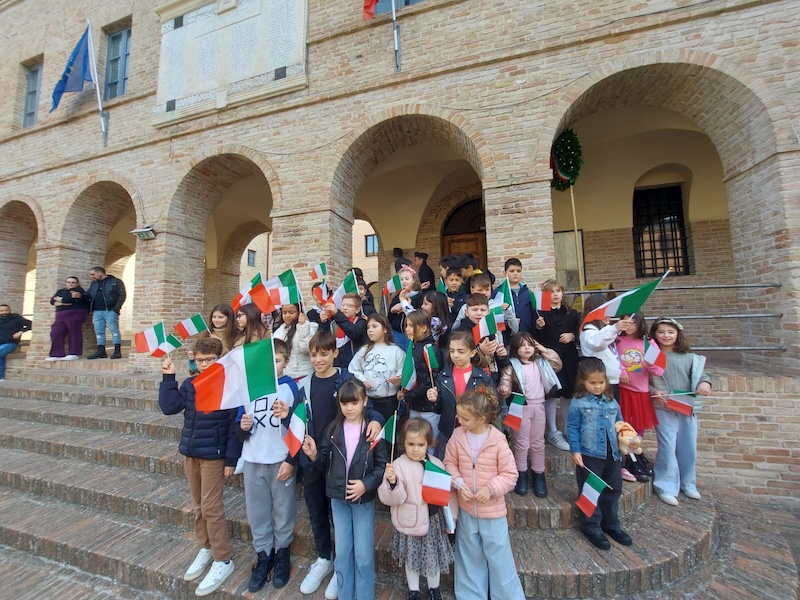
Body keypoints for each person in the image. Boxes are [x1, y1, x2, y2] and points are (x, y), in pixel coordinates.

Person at [273, 331, 384, 599]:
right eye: (313, 354)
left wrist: (376, 420)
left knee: (341, 517)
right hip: (314, 460)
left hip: (342, 462)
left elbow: (369, 409)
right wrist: (288, 417)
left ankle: (342, 569)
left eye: (324, 353)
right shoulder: (305, 385)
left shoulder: (347, 379)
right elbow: (298, 426)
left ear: (335, 353)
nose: (318, 359)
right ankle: (325, 558)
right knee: (317, 512)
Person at [158, 337, 241, 596]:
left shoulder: (229, 386)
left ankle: (223, 558)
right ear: (194, 359)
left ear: (219, 359)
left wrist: (230, 459)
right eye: (200, 360)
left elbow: (233, 426)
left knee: (211, 506)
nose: (204, 364)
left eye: (210, 360)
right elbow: (169, 407)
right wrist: (169, 378)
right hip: (191, 452)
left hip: (214, 454)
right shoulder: (191, 384)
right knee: (198, 505)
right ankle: (206, 547)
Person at [302, 379, 388, 600]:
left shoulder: (372, 431)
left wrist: (365, 485)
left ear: (364, 402)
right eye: (344, 403)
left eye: (354, 403)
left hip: (362, 500)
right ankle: (346, 593)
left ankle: (364, 594)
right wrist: (313, 455)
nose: (349, 408)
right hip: (338, 499)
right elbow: (324, 463)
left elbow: (381, 466)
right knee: (343, 552)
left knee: (363, 554)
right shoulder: (333, 430)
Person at [444, 386, 523, 599]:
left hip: (493, 513)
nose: (460, 421)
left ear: (482, 419)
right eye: (459, 416)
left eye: (465, 418)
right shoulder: (457, 436)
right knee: (469, 557)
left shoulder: (497, 440)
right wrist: (459, 483)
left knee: (500, 558)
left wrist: (491, 489)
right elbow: (449, 463)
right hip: (467, 509)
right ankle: (470, 595)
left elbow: (510, 474)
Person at [236, 339, 297, 592]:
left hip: (280, 460)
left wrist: (288, 416)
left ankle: (282, 554)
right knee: (257, 512)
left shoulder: (291, 387)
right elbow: (239, 425)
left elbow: (300, 427)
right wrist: (243, 427)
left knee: (283, 511)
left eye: (278, 360)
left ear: (286, 361)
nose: (272, 366)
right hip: (253, 460)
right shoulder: (248, 388)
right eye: (268, 361)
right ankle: (263, 555)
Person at [379, 419, 454, 600]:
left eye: (421, 444)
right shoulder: (397, 465)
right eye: (410, 444)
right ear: (403, 443)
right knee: (411, 559)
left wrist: (451, 520)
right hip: (410, 520)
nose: (415, 449)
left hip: (433, 521)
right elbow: (392, 498)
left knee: (432, 559)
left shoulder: (436, 463)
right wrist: (392, 482)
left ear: (428, 443)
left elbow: (446, 496)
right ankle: (414, 590)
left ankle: (433, 589)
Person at [566, 357, 634, 551]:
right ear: (583, 382)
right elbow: (572, 427)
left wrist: (628, 439)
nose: (597, 387)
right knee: (591, 491)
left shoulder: (612, 401)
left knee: (613, 489)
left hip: (612, 453)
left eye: (601, 382)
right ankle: (591, 525)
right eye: (593, 383)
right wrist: (575, 450)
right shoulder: (578, 403)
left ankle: (611, 523)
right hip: (590, 454)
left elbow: (621, 425)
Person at [648, 317, 711, 507]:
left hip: (686, 406)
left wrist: (705, 383)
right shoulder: (651, 356)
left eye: (670, 332)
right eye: (661, 332)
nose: (665, 336)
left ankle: (688, 483)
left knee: (688, 446)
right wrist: (654, 392)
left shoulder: (690, 357)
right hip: (663, 407)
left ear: (678, 334)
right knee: (667, 446)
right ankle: (666, 485)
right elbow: (644, 380)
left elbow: (703, 375)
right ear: (654, 335)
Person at [497, 331, 562, 497]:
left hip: (539, 406)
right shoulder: (511, 365)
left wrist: (543, 349)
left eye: (529, 345)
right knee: (521, 442)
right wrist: (504, 390)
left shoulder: (542, 362)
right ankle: (521, 474)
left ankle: (539, 475)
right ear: (516, 349)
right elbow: (505, 381)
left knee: (538, 443)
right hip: (521, 407)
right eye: (522, 346)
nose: (526, 349)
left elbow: (557, 363)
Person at [428, 330, 494, 459]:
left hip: (473, 433)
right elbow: (438, 408)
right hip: (448, 433)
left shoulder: (482, 377)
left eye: (461, 351)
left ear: (472, 352)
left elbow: (491, 406)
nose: (455, 355)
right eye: (452, 351)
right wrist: (434, 400)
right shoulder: (443, 376)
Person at [615, 311, 663, 482]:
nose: (628, 325)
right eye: (625, 322)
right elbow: (612, 359)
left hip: (640, 391)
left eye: (632, 322)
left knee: (638, 428)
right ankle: (622, 461)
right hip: (622, 390)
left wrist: (652, 364)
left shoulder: (648, 343)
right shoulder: (617, 340)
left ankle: (635, 460)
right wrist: (621, 371)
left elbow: (659, 370)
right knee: (621, 427)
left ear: (640, 323)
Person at [533, 279, 580, 452]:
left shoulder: (572, 313)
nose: (555, 294)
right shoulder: (540, 315)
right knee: (551, 394)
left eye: (558, 290)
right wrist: (538, 327)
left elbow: (580, 331)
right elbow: (535, 338)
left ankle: (568, 429)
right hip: (549, 360)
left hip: (569, 358)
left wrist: (572, 335)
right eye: (551, 292)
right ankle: (553, 431)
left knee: (568, 394)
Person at [348, 313, 405, 423]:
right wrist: (362, 380)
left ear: (385, 329)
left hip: (390, 400)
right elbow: (353, 369)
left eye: (374, 326)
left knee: (388, 431)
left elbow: (402, 370)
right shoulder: (364, 351)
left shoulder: (396, 351)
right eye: (368, 327)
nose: (370, 330)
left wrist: (398, 380)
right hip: (369, 400)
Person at [579, 293, 635, 398]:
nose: (609, 314)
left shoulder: (604, 329)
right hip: (599, 383)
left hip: (610, 381)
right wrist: (615, 328)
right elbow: (597, 344)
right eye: (605, 311)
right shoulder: (589, 330)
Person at [402, 310, 443, 442]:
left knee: (428, 442)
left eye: (410, 325)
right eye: (406, 325)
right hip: (415, 405)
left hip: (428, 407)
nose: (407, 329)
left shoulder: (429, 349)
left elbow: (431, 379)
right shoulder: (413, 346)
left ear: (424, 328)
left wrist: (409, 395)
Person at [85, 266, 126, 360]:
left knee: (114, 330)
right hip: (97, 311)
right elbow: (88, 294)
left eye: (93, 274)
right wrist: (79, 295)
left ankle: (117, 351)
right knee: (99, 331)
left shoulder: (115, 282)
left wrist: (116, 308)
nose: (92, 276)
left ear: (100, 273)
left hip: (110, 310)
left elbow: (122, 295)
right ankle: (101, 351)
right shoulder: (94, 284)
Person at [47, 275, 89, 361]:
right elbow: (52, 301)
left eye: (73, 282)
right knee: (56, 332)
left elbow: (69, 299)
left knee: (73, 332)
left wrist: (61, 300)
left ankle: (74, 353)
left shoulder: (79, 291)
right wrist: (64, 302)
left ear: (77, 284)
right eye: (69, 282)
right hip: (60, 315)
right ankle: (56, 354)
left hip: (75, 313)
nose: (70, 284)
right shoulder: (61, 291)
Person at [187, 304, 237, 374]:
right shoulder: (205, 335)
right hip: (207, 376)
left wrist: (220, 344)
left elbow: (235, 360)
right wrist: (192, 358)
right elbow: (194, 368)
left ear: (229, 318)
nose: (216, 320)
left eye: (220, 317)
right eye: (214, 317)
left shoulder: (237, 335)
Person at [274, 303, 318, 379]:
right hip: (284, 374)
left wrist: (303, 326)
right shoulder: (279, 330)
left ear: (299, 312)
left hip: (303, 374)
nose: (287, 316)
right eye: (284, 313)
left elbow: (306, 349)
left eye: (291, 312)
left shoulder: (310, 327)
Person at [493, 258, 536, 335]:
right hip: (507, 336)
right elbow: (494, 314)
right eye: (512, 271)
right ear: (505, 273)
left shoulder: (527, 292)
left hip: (527, 334)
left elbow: (533, 314)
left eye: (518, 271)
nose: (515, 273)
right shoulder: (498, 293)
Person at [326, 293, 368, 369]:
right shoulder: (334, 323)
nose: (345, 308)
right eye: (343, 305)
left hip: (354, 363)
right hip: (337, 363)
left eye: (349, 306)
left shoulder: (361, 322)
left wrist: (338, 314)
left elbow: (354, 333)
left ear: (357, 309)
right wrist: (323, 323)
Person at [388, 265, 422, 350]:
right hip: (397, 333)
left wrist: (406, 307)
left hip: (412, 333)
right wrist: (392, 310)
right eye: (401, 279)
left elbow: (419, 315)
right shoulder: (396, 297)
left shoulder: (419, 296)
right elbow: (389, 318)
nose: (404, 281)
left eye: (407, 279)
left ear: (414, 280)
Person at [0, 304, 32, 381]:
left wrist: (21, 331)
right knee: (1, 357)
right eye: (1, 311)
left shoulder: (16, 318)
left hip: (10, 343)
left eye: (6, 310)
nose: (4, 312)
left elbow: (30, 324)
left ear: (9, 311)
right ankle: (1, 377)